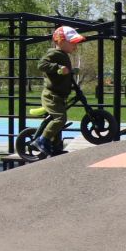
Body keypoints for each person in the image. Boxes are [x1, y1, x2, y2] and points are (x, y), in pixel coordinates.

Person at [37, 26, 87, 156]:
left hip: (59, 95)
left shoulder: (63, 55)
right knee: (60, 119)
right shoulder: (53, 53)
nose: (75, 47)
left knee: (59, 123)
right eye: (73, 43)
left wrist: (71, 71)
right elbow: (41, 65)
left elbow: (64, 71)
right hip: (51, 96)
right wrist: (58, 67)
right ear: (61, 42)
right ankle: (42, 140)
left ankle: (56, 147)